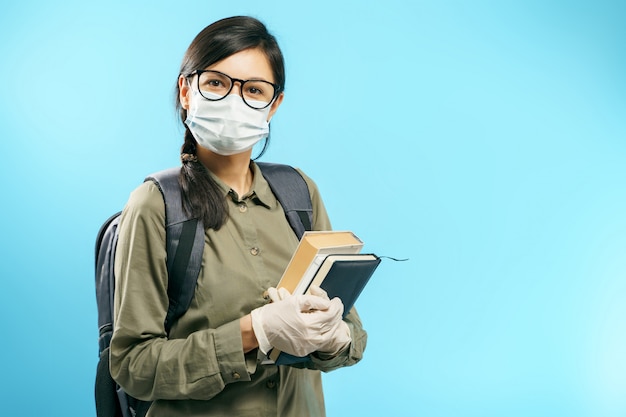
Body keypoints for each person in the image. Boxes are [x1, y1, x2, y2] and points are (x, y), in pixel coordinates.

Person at [108, 15, 367, 417]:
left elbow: (353, 336)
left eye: (253, 90)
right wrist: (254, 332)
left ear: (274, 104)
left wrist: (336, 337)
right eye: (216, 83)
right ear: (186, 91)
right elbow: (133, 366)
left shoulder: (301, 195)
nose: (233, 101)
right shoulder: (155, 205)